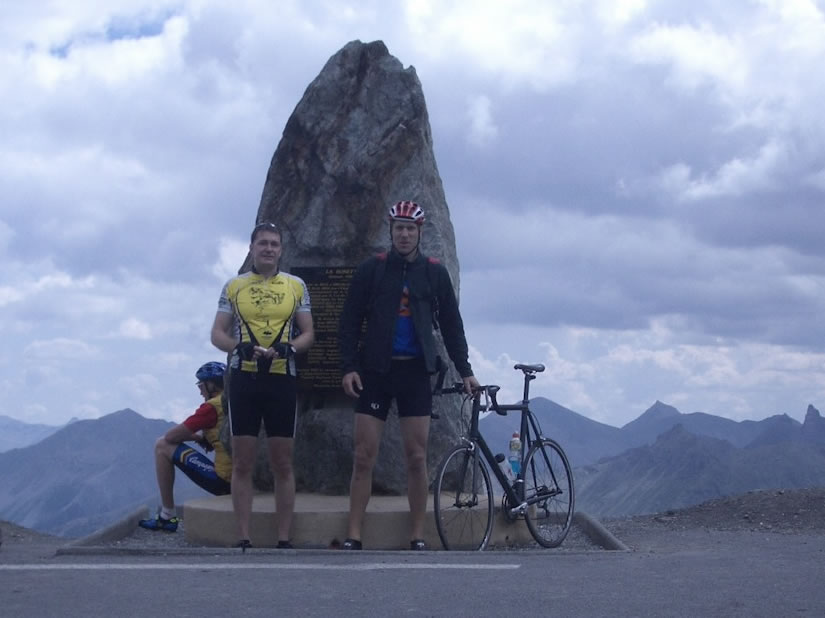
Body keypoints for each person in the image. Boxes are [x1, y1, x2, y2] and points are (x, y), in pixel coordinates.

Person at [338, 200, 480, 550]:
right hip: (375, 371)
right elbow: (349, 322)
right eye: (398, 228)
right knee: (363, 455)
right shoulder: (372, 269)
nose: (404, 234)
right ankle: (353, 534)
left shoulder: (434, 272)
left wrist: (466, 371)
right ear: (391, 231)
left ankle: (417, 534)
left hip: (415, 371)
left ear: (419, 233)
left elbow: (451, 326)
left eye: (410, 229)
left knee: (417, 456)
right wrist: (349, 367)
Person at [210, 221, 314, 551]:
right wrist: (236, 348)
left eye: (274, 244)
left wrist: (291, 347)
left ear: (281, 249)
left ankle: (284, 537)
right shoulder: (234, 286)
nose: (268, 249)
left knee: (283, 461)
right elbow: (218, 333)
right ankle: (244, 535)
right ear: (252, 248)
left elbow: (309, 332)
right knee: (243, 460)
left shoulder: (296, 285)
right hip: (244, 378)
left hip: (282, 377)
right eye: (262, 244)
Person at [139, 361, 231, 532]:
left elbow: (171, 436)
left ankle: (167, 516)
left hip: (225, 481)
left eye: (201, 384)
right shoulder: (233, 402)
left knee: (162, 445)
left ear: (211, 384)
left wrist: (196, 436)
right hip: (247, 479)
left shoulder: (210, 408)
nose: (199, 389)